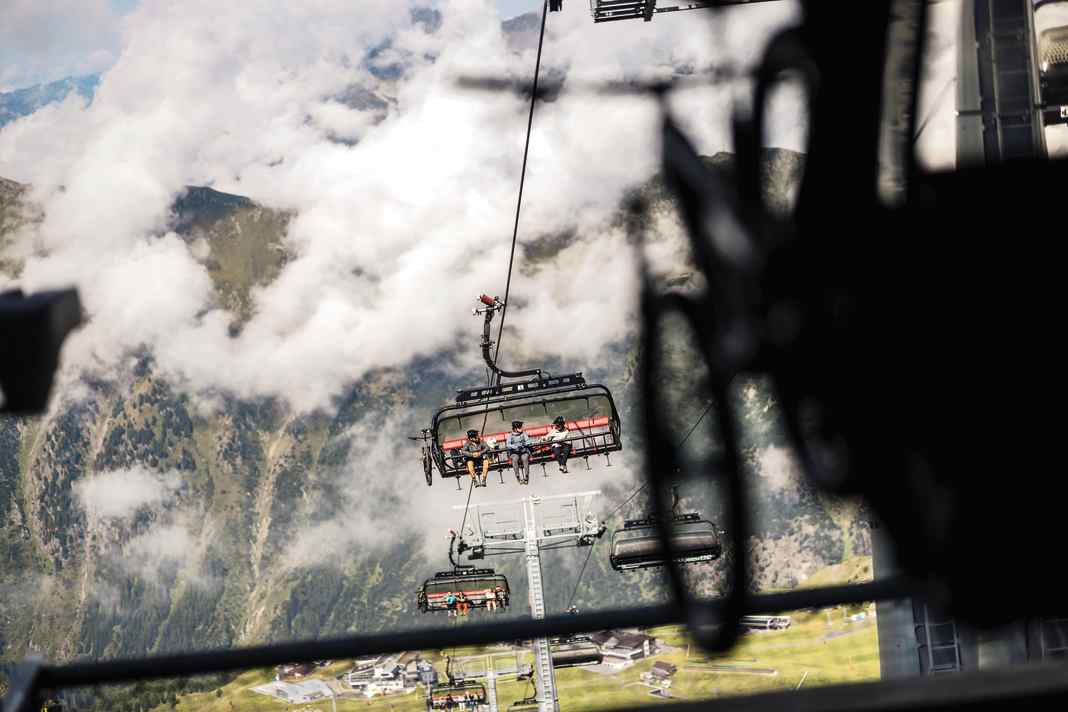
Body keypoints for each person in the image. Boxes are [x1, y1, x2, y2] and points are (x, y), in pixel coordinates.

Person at [505, 420, 536, 484]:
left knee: (525, 458)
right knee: (515, 459)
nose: (522, 428)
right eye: (520, 427)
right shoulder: (511, 436)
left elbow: (528, 441)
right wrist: (515, 446)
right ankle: (518, 476)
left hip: (523, 451)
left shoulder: (523, 434)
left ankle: (526, 475)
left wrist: (523, 444)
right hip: (515, 452)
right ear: (515, 429)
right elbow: (508, 444)